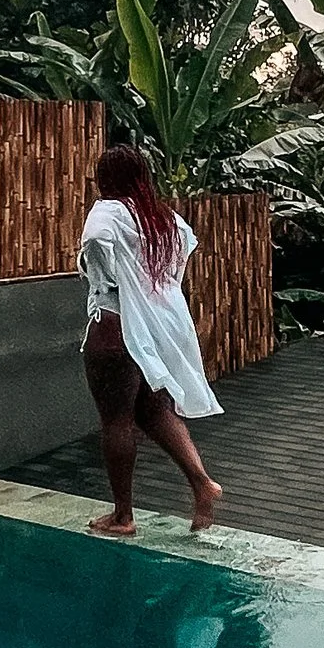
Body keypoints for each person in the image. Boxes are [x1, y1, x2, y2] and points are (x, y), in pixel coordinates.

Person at [78, 143, 224, 537]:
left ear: (104, 179)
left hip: (113, 327)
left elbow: (93, 241)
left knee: (116, 420)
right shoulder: (164, 219)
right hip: (154, 330)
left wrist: (111, 279)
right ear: (144, 177)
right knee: (153, 410)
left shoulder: (107, 211)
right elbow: (185, 248)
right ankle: (201, 482)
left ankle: (123, 515)